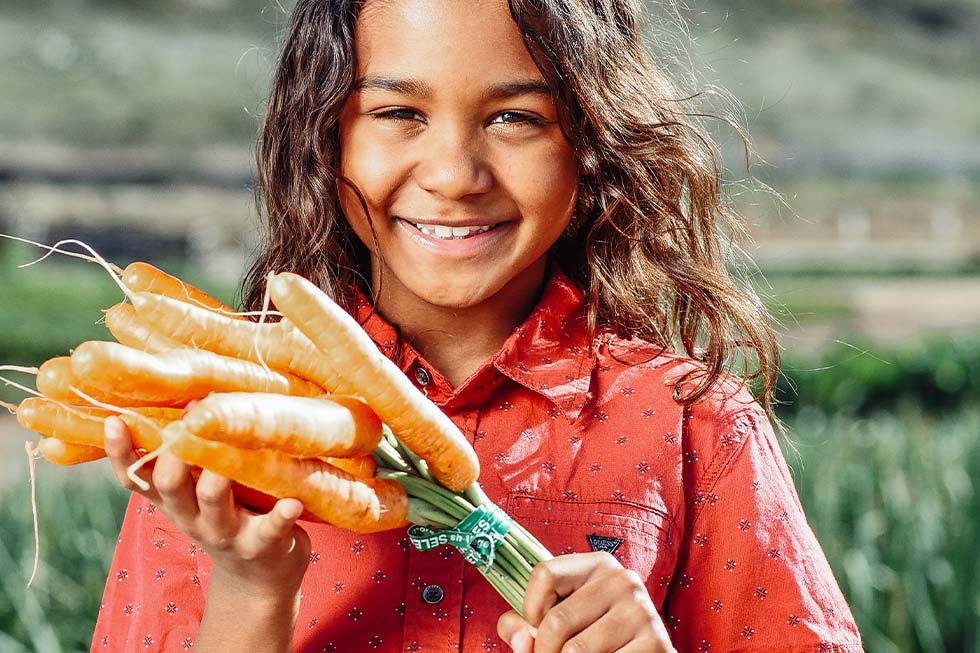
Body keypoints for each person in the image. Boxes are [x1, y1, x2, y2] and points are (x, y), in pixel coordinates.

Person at [94, 0, 864, 651]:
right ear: (326, 137)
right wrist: (249, 588)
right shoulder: (216, 428)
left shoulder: (696, 427)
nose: (456, 174)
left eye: (515, 117)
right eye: (399, 113)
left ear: (590, 145)